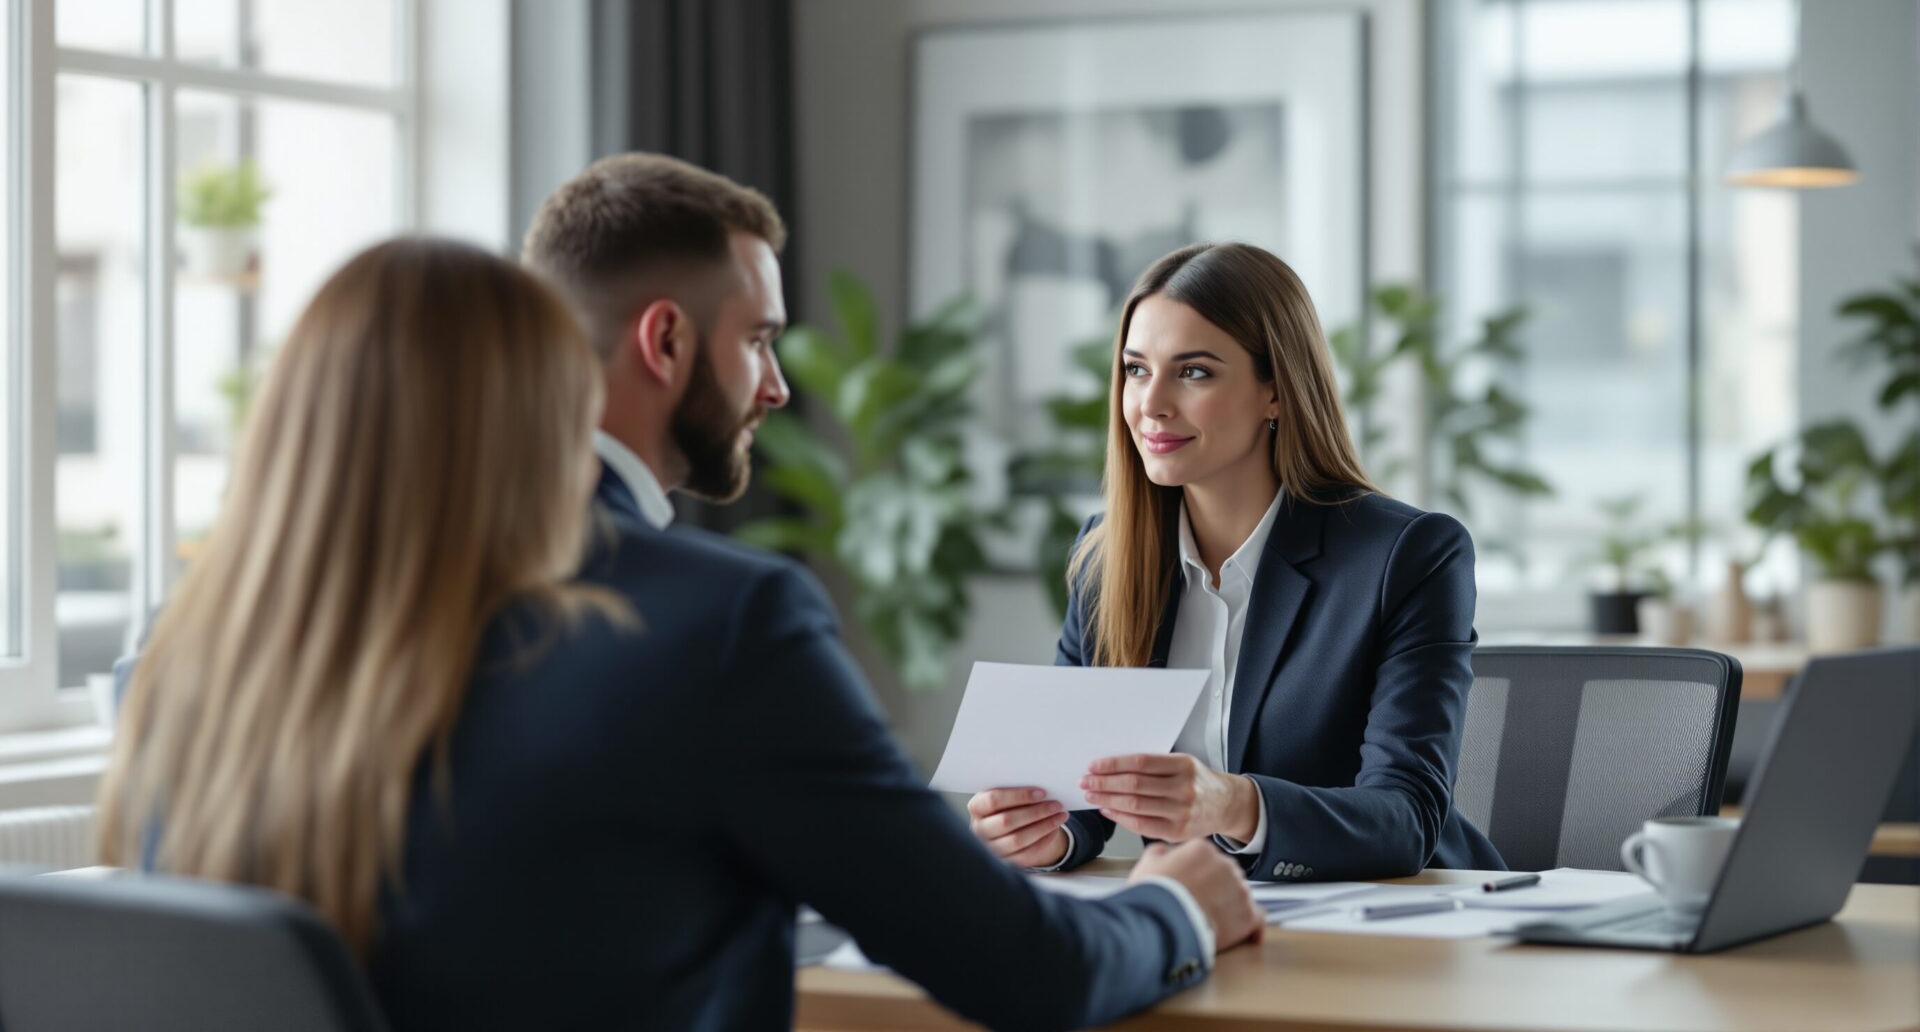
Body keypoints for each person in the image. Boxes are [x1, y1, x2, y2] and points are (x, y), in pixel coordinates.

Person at [99, 164, 1261, 1032]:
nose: (779, 386)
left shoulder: (189, 646)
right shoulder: (714, 622)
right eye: (759, 338)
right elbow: (1025, 969)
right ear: (659, 343)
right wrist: (1178, 909)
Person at [966, 242, 1506, 882]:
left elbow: (1406, 817)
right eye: (1136, 370)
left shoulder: (1406, 556)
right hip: (1208, 913)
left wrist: (1234, 804)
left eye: (1193, 372)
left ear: (1275, 391)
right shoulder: (1105, 560)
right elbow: (1082, 794)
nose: (1151, 403)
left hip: (1408, 915)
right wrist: (1044, 833)